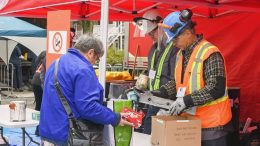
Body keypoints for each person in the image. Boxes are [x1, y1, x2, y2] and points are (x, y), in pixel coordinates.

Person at [152, 9, 233, 146]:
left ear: (188, 33)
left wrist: (186, 100)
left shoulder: (209, 52)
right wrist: (161, 92)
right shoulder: (181, 54)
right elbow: (178, 82)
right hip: (190, 125)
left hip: (212, 128)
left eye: (176, 38)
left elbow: (216, 88)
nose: (173, 43)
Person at [39, 34, 132, 145]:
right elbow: (88, 107)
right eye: (97, 59)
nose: (95, 63)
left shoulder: (56, 63)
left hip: (48, 131)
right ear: (91, 52)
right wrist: (115, 118)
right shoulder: (83, 69)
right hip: (68, 134)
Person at [133, 9, 178, 134]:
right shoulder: (153, 50)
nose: (150, 35)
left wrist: (161, 92)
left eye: (152, 32)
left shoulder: (175, 49)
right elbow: (151, 72)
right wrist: (141, 83)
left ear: (161, 26)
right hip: (153, 101)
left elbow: (177, 79)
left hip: (168, 104)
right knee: (148, 132)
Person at [31, 50, 46, 136]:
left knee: (38, 105)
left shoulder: (42, 55)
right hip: (40, 81)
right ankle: (39, 129)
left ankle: (37, 129)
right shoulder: (48, 56)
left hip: (35, 80)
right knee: (42, 106)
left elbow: (36, 61)